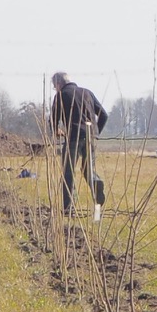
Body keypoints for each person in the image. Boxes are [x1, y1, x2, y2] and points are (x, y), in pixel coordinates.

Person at [48, 71, 108, 220]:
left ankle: (69, 208)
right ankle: (96, 183)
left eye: (54, 86)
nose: (55, 89)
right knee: (88, 170)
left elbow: (53, 119)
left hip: (73, 137)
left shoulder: (61, 96)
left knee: (68, 172)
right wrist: (95, 133)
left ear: (58, 84)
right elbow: (104, 115)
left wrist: (56, 131)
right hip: (90, 137)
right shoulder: (87, 92)